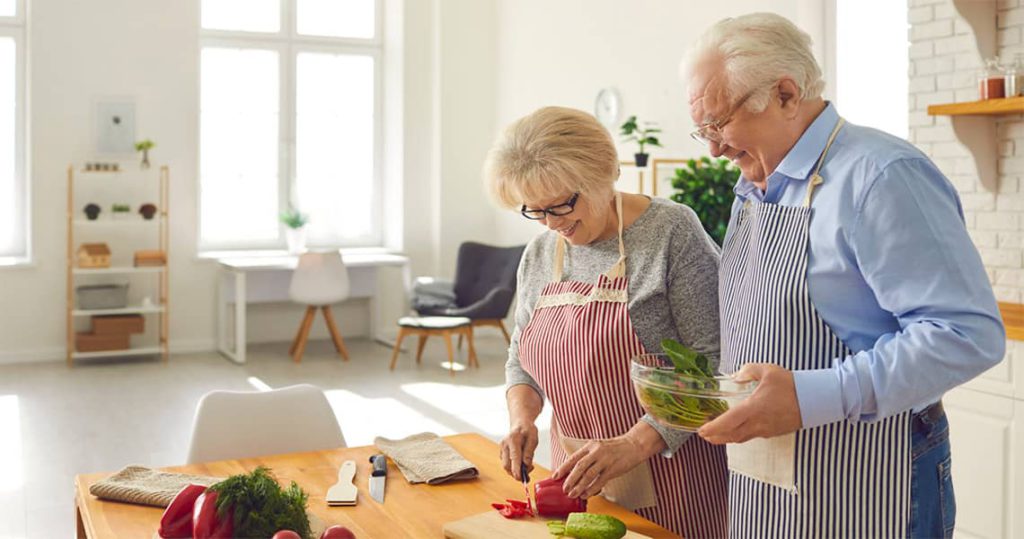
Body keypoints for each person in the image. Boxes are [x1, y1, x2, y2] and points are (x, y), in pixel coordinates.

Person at [683, 12, 1006, 538]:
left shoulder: (881, 176)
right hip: (765, 485)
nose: (714, 148)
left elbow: (967, 336)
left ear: (786, 94)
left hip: (874, 476)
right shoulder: (757, 184)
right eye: (703, 131)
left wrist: (809, 397)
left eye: (719, 124)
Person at [485, 106, 727, 536]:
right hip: (576, 480)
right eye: (535, 211)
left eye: (562, 205)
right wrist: (522, 419)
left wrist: (634, 444)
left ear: (604, 173)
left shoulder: (671, 232)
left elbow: (712, 365)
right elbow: (521, 359)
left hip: (675, 478)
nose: (552, 224)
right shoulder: (540, 254)